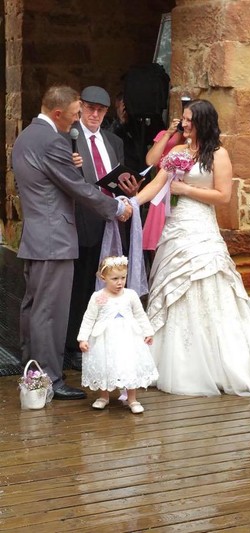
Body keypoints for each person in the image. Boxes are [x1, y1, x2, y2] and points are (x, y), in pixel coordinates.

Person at [136, 99, 250, 399]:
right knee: (172, 287)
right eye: (183, 119)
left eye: (188, 120)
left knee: (208, 286)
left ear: (203, 123)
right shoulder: (176, 152)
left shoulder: (218, 155)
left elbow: (223, 197)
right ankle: (170, 358)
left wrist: (186, 189)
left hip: (201, 228)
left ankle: (215, 361)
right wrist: (132, 204)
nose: (183, 124)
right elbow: (157, 183)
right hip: (176, 229)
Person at [12, 85, 132, 400]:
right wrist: (117, 207)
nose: (78, 119)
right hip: (54, 239)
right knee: (49, 313)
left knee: (33, 310)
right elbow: (78, 188)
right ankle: (48, 379)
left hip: (37, 236)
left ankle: (32, 378)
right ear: (57, 113)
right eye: (75, 114)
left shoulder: (27, 136)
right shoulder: (52, 140)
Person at [64, 86, 137, 371]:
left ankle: (103, 342)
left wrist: (130, 188)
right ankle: (72, 346)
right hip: (82, 223)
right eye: (90, 108)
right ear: (81, 106)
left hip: (111, 224)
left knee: (109, 287)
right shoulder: (68, 138)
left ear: (107, 112)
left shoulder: (113, 141)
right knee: (80, 287)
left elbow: (117, 179)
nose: (95, 114)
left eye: (101, 110)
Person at [77, 255, 158, 413]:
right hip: (105, 338)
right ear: (103, 277)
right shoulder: (98, 297)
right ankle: (104, 396)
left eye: (123, 278)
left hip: (128, 337)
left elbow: (140, 315)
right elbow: (89, 318)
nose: (120, 282)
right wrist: (83, 338)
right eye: (114, 278)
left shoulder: (131, 295)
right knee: (105, 365)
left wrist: (148, 332)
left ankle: (132, 398)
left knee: (129, 365)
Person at [143, 118, 184, 256]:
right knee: (157, 244)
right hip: (162, 190)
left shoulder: (195, 140)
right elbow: (150, 161)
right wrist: (168, 134)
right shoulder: (165, 134)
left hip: (182, 190)